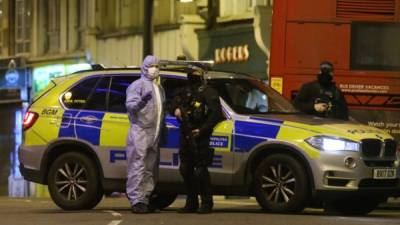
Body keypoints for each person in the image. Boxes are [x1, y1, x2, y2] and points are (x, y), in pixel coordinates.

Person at [169, 72, 223, 214]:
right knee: (185, 168)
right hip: (186, 133)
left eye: (196, 72)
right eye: (192, 72)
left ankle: (206, 203)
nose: (193, 75)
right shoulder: (184, 91)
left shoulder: (209, 92)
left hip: (201, 135)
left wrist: (202, 130)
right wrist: (175, 109)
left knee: (200, 170)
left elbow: (216, 114)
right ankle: (191, 203)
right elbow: (172, 103)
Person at [125, 55, 165, 214]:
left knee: (150, 167)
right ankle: (136, 200)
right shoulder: (137, 85)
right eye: (151, 65)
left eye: (157, 65)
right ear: (144, 67)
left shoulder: (158, 88)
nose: (154, 68)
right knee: (137, 165)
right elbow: (130, 106)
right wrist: (141, 102)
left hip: (154, 133)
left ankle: (146, 198)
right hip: (140, 131)